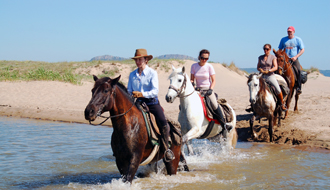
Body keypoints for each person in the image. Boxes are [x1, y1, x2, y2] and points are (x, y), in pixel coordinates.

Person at [127, 48, 174, 162]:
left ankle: (166, 149)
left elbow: (155, 91)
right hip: (136, 102)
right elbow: (128, 90)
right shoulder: (132, 74)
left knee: (163, 122)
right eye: (136, 60)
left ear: (146, 60)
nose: (138, 62)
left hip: (151, 102)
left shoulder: (152, 73)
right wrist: (132, 95)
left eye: (140, 60)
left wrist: (142, 94)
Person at [190, 49, 231, 131]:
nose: (204, 60)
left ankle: (224, 124)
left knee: (214, 104)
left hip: (208, 89)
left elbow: (214, 80)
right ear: (199, 57)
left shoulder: (209, 66)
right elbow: (192, 79)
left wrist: (211, 89)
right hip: (197, 90)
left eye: (206, 58)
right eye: (202, 58)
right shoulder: (194, 66)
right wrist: (192, 84)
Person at [246, 44, 287, 112]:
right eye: (264, 49)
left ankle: (282, 104)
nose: (266, 50)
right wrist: (260, 70)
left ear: (270, 50)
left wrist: (269, 70)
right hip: (261, 76)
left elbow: (275, 67)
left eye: (267, 49)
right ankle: (253, 106)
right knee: (254, 88)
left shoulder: (273, 57)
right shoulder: (260, 57)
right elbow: (258, 67)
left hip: (270, 76)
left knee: (278, 89)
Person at [278, 26, 305, 95]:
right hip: (285, 60)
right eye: (288, 31)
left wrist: (296, 56)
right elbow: (280, 49)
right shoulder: (283, 39)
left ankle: (299, 87)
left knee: (298, 70)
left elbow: (302, 50)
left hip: (294, 59)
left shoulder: (298, 40)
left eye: (290, 31)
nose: (289, 33)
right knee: (278, 69)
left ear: (293, 32)